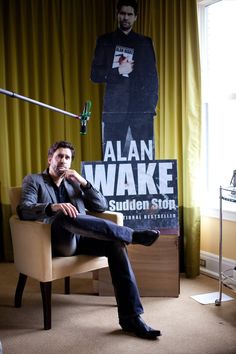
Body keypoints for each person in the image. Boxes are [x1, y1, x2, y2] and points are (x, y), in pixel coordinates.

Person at [17, 140, 162, 340]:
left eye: (67, 158)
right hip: (54, 241)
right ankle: (132, 235)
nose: (63, 161)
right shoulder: (34, 180)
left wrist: (83, 182)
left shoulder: (73, 183)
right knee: (64, 213)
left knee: (116, 245)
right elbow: (23, 209)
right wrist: (53, 207)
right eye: (59, 156)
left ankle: (131, 317)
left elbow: (102, 205)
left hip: (83, 239)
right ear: (50, 159)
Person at [91, 0, 158, 156]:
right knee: (112, 161)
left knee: (145, 160)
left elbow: (152, 78)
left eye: (129, 14)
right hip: (114, 112)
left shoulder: (145, 42)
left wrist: (151, 107)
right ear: (117, 15)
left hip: (142, 112)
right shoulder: (105, 41)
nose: (125, 18)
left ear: (135, 17)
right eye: (122, 14)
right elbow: (94, 75)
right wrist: (117, 71)